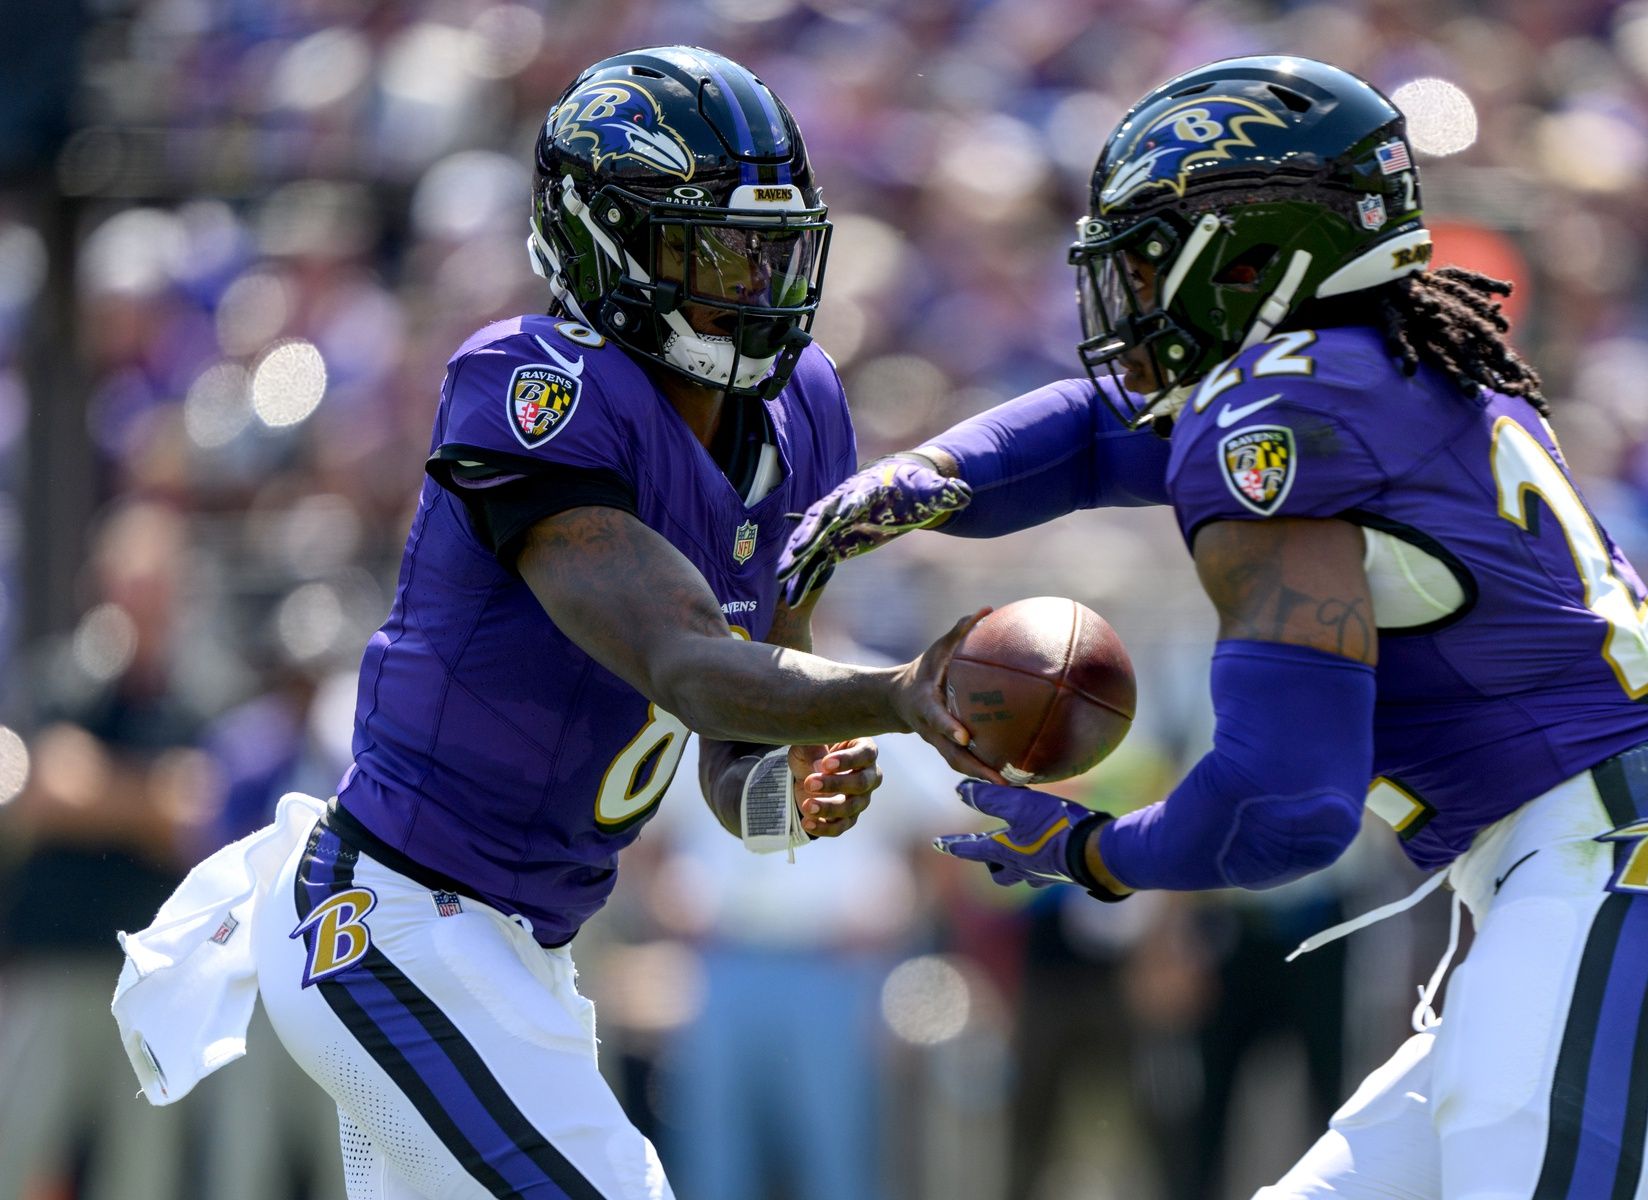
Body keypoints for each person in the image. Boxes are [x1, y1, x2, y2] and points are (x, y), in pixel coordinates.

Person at [779, 56, 1648, 1200]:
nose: (1131, 291)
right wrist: (918, 480)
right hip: (1566, 865)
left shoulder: (1279, 406)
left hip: (1619, 859)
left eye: (1153, 253)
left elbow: (1286, 804)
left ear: (1253, 258)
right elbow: (1097, 435)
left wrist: (1088, 851)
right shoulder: (1371, 373)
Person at [114, 45, 994, 1200]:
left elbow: (737, 740)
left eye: (773, 244)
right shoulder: (536, 384)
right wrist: (895, 698)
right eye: (715, 244)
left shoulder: (802, 408)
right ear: (609, 242)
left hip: (520, 952)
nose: (757, 277)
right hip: (392, 928)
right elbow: (686, 661)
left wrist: (788, 793)